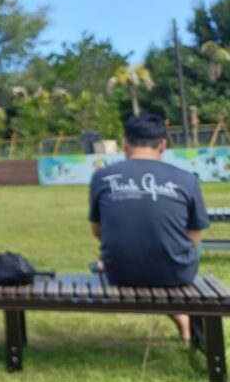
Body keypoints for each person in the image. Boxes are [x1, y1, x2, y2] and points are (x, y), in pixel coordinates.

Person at [89, 114, 210, 341]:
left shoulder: (102, 177)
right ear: (163, 144)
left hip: (120, 272)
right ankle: (185, 320)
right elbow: (195, 236)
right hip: (176, 274)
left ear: (126, 143)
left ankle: (182, 320)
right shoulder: (187, 179)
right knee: (184, 247)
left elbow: (98, 231)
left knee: (141, 250)